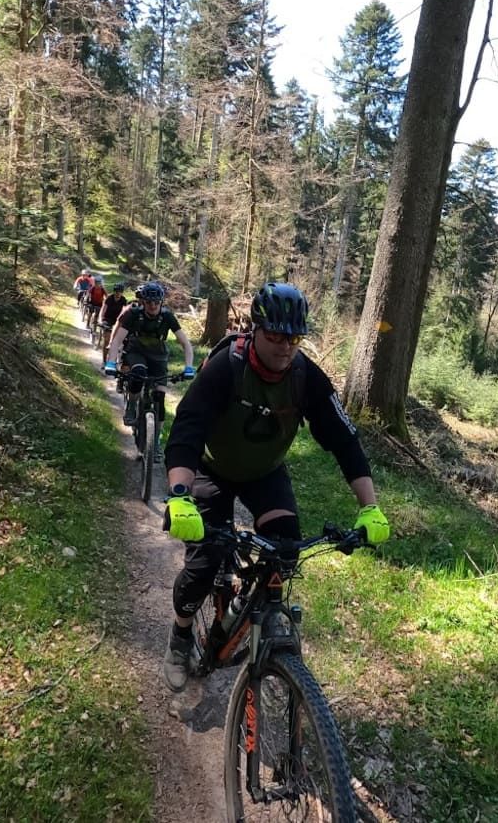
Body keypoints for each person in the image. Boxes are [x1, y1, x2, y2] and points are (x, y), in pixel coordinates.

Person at [157, 282, 390, 691]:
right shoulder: (226, 366)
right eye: (276, 336)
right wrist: (180, 497)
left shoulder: (306, 377)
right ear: (254, 329)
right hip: (212, 470)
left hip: (266, 474)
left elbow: (344, 439)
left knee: (285, 549)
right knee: (205, 560)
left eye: (294, 338)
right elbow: (187, 431)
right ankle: (180, 637)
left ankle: (256, 622)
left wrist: (369, 507)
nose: (286, 347)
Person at [104, 282, 195, 427]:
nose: (153, 305)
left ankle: (156, 442)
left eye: (156, 302)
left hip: (158, 356)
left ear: (161, 302)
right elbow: (117, 340)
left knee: (160, 397)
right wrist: (111, 362)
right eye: (149, 302)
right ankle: (132, 406)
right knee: (138, 374)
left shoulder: (167, 317)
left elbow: (186, 344)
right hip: (136, 352)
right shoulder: (133, 314)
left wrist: (189, 367)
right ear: (143, 301)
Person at [99, 282, 128, 357]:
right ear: (114, 291)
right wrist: (101, 319)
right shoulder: (109, 298)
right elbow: (103, 309)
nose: (118, 293)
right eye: (117, 291)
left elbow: (124, 312)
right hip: (107, 319)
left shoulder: (123, 300)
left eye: (120, 292)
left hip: (117, 321)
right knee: (107, 340)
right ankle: (104, 361)